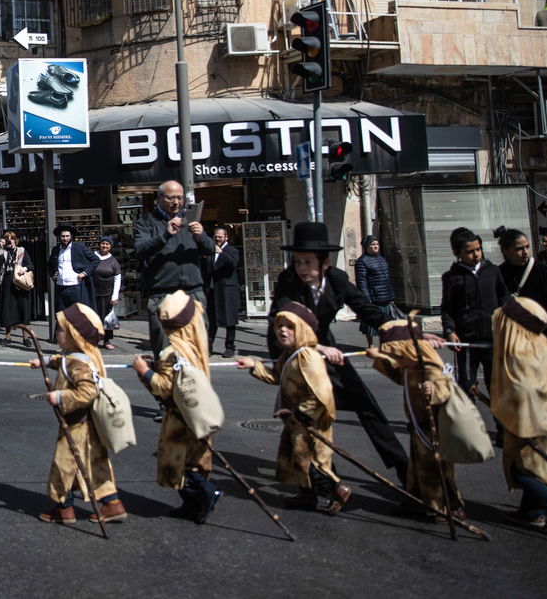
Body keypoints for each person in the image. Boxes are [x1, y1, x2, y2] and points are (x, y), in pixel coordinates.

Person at [268, 221, 408, 478]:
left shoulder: (337, 279)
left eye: (308, 262)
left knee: (368, 407)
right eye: (297, 261)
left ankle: (405, 470)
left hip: (330, 353)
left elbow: (365, 308)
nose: (301, 268)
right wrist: (313, 347)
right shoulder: (287, 281)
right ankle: (318, 482)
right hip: (297, 357)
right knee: (304, 421)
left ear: (325, 263)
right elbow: (280, 323)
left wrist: (399, 329)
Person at [238, 302, 350, 514]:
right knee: (299, 458)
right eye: (279, 326)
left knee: (314, 460)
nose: (282, 330)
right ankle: (306, 496)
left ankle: (338, 490)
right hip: (295, 419)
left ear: (303, 330)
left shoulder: (307, 356)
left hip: (310, 421)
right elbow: (276, 377)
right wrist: (254, 366)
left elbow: (320, 393)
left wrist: (301, 415)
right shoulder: (290, 355)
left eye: (289, 326)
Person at [30, 302, 126, 524]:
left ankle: (64, 508)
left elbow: (87, 392)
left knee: (63, 466)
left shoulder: (78, 364)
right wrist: (43, 361)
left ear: (74, 335)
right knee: (95, 464)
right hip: (88, 424)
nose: (58, 334)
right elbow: (61, 362)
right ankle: (112, 504)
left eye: (61, 330)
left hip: (76, 425)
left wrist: (61, 396)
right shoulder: (78, 357)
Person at [132, 290, 222, 524]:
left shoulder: (174, 353)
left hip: (180, 419)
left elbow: (164, 387)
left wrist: (145, 372)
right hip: (196, 415)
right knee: (196, 460)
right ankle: (193, 505)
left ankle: (206, 493)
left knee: (177, 463)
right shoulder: (196, 346)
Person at [491, 295, 547, 532]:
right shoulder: (545, 345)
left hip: (527, 423)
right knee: (539, 466)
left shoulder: (518, 354)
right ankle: (533, 513)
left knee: (521, 469)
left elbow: (521, 392)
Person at [369, 320, 466, 520]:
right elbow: (397, 375)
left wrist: (434, 391)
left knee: (434, 471)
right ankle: (417, 501)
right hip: (417, 425)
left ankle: (443, 507)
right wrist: (379, 357)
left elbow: (444, 387)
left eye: (396, 354)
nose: (396, 359)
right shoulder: (410, 366)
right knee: (418, 469)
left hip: (433, 428)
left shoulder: (428, 367)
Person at [133, 181, 213, 358]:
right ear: (159, 199)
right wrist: (165, 235)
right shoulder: (147, 221)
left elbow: (211, 249)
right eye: (171, 197)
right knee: (165, 356)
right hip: (163, 295)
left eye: (179, 197)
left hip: (193, 293)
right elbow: (140, 250)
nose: (176, 202)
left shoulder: (191, 219)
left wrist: (201, 237)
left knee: (197, 352)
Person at [441, 227, 509, 395]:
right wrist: (450, 330)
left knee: (497, 386)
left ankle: (501, 421)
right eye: (470, 251)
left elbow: (504, 298)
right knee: (467, 386)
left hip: (493, 339)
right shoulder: (452, 278)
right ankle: (469, 419)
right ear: (458, 253)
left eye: (478, 249)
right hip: (467, 341)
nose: (476, 254)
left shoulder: (492, 271)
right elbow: (447, 308)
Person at [495, 227, 547, 336]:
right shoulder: (499, 274)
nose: (525, 252)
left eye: (527, 247)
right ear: (505, 251)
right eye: (519, 249)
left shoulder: (541, 270)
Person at [353, 234, 396, 350]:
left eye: (377, 244)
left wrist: (391, 296)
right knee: (370, 325)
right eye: (373, 244)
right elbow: (361, 282)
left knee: (386, 324)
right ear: (367, 246)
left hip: (385, 297)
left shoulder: (381, 259)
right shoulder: (362, 262)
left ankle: (384, 345)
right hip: (374, 297)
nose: (376, 246)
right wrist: (367, 298)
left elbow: (387, 279)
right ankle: (370, 345)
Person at [203, 225, 241, 357]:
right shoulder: (210, 252)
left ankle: (230, 346)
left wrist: (221, 253)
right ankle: (208, 347)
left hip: (226, 291)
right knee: (211, 321)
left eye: (220, 237)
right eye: (216, 237)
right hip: (212, 291)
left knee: (229, 320)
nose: (218, 239)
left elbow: (233, 264)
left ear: (226, 237)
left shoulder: (232, 251)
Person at [48, 224, 98, 315]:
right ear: (59, 237)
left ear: (71, 236)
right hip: (60, 287)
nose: (65, 238)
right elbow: (49, 264)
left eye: (67, 236)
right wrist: (53, 274)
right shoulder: (56, 249)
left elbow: (95, 260)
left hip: (75, 286)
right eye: (63, 236)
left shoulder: (79, 246)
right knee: (62, 315)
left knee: (77, 315)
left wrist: (85, 272)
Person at [0, 231, 35, 347]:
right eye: (6, 239)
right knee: (7, 310)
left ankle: (25, 338)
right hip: (7, 282)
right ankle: (7, 337)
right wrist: (0, 249)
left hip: (20, 283)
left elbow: (31, 265)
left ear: (15, 240)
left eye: (11, 238)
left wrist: (24, 268)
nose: (9, 241)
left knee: (23, 310)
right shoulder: (2, 252)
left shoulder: (21, 251)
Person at [90, 237, 122, 350]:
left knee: (106, 318)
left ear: (111, 246)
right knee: (92, 317)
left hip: (106, 293)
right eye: (103, 243)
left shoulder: (113, 261)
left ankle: (106, 340)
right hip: (92, 292)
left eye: (107, 244)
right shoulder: (92, 256)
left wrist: (115, 296)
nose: (104, 246)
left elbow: (117, 278)